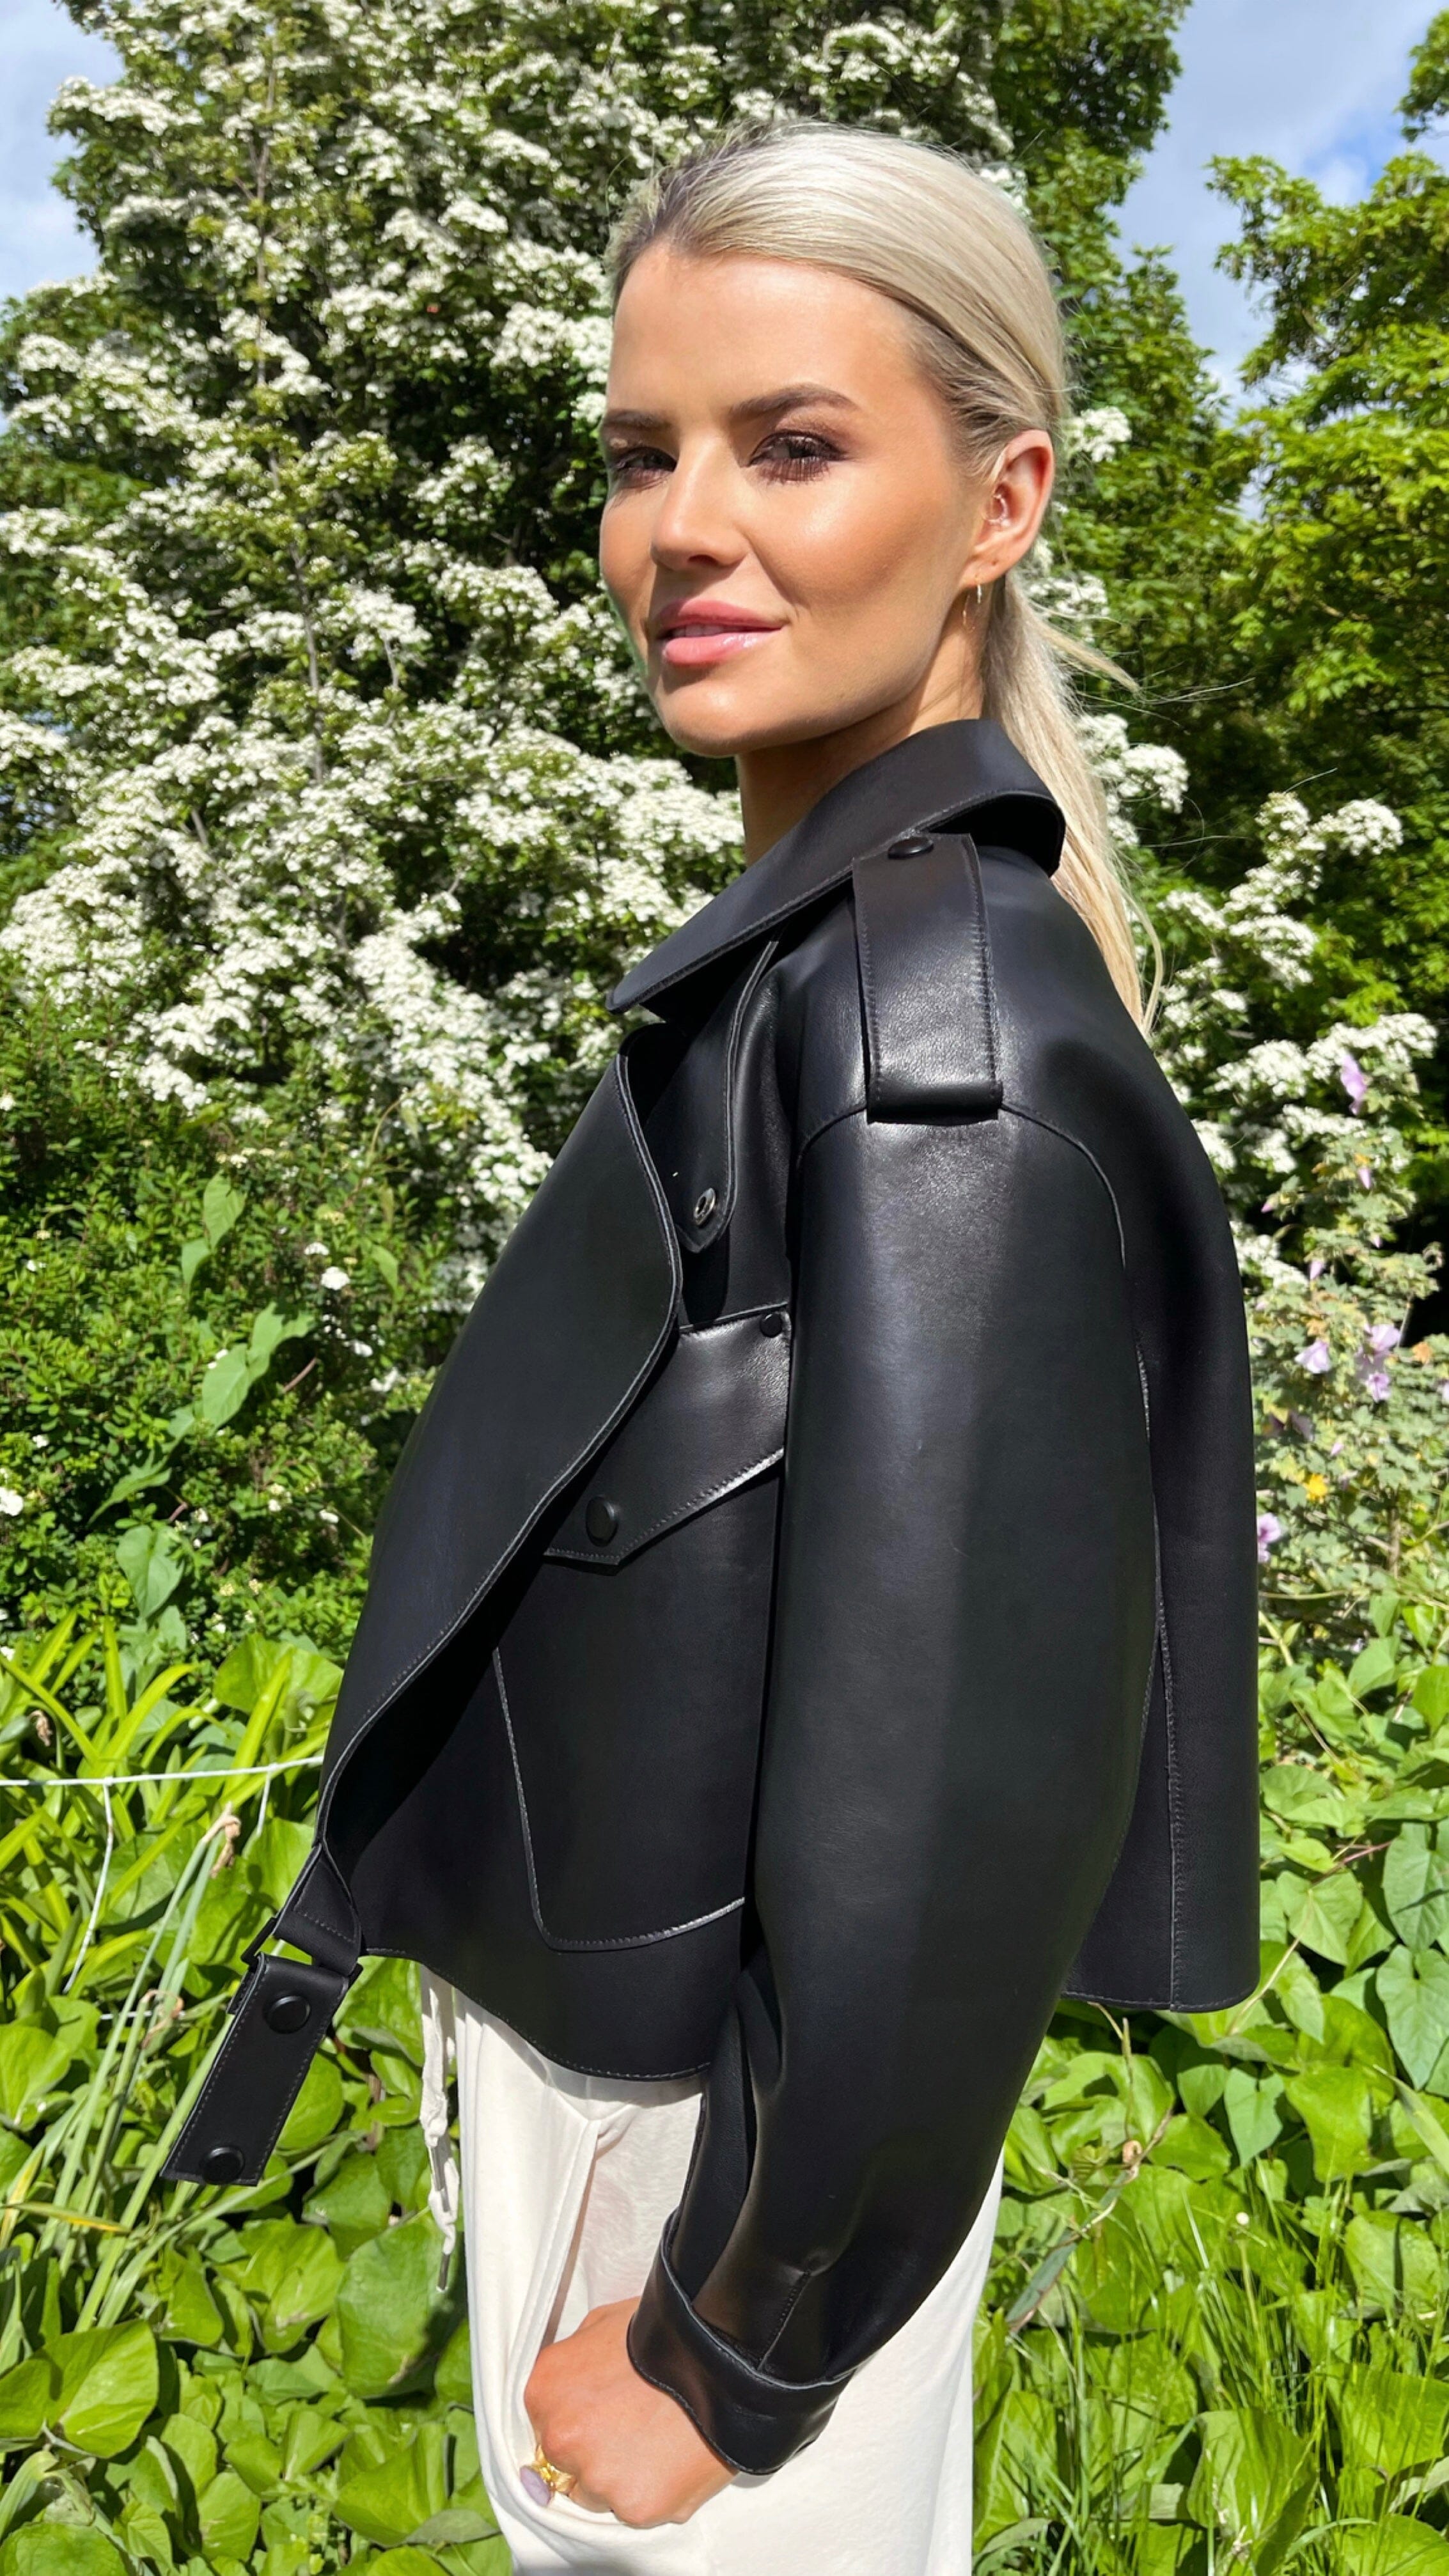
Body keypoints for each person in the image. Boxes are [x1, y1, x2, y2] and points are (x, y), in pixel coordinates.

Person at [169, 120, 1258, 2573]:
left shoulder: (915, 1035)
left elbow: (947, 1783)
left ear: (999, 502)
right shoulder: (810, 970)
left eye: (791, 446)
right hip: (672, 2120)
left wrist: (731, 2343)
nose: (681, 531)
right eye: (638, 453)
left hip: (707, 2180)